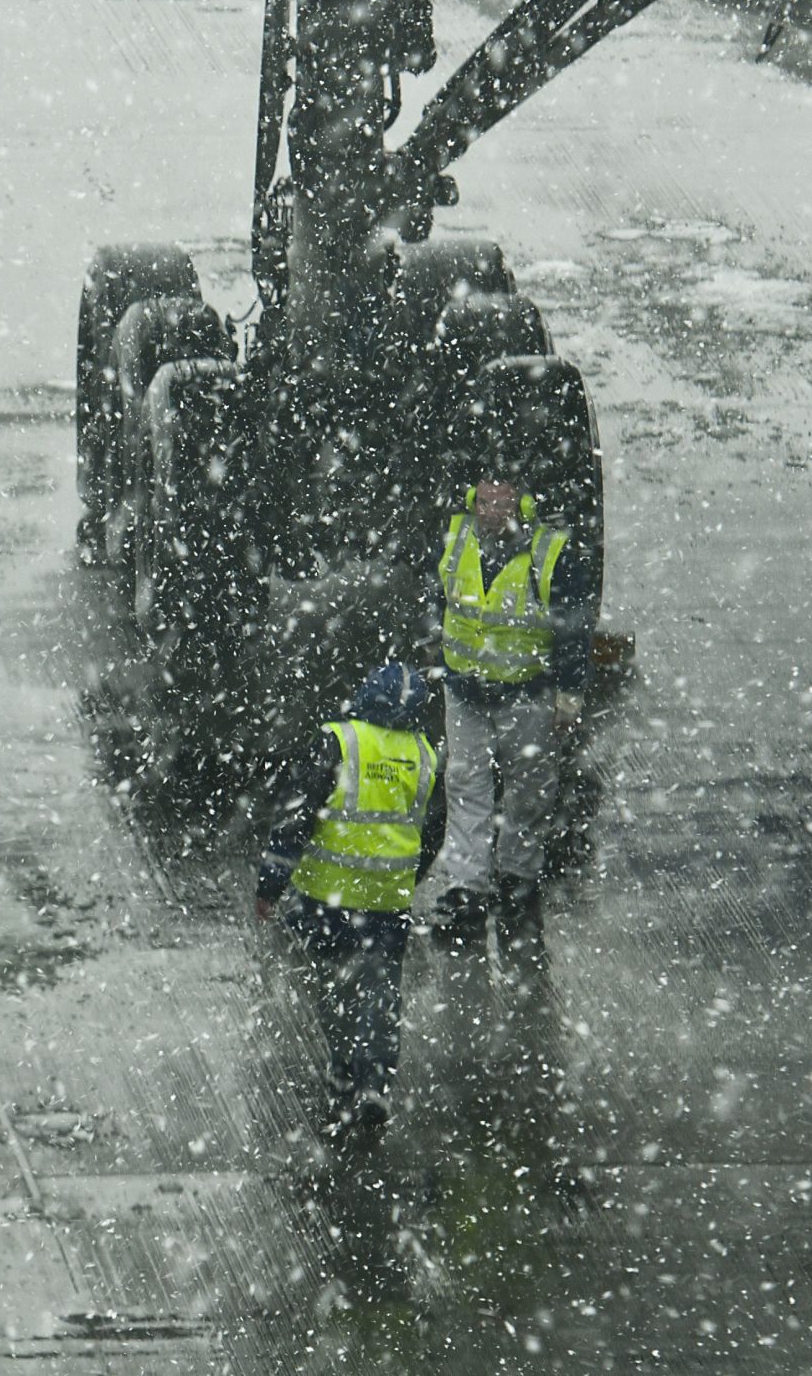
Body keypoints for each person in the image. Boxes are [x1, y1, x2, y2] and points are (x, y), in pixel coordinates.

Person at [254, 661, 444, 1135]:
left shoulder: (339, 742)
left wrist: (270, 885)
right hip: (388, 899)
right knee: (381, 991)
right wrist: (408, 876)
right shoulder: (424, 754)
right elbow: (434, 828)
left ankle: (343, 1070)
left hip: (328, 897)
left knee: (334, 987)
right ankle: (375, 1080)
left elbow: (296, 819)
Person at [423, 476, 593, 963]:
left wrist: (568, 692)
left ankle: (517, 875)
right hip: (466, 690)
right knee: (466, 786)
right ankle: (466, 888)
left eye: (501, 500)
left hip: (527, 694)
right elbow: (443, 599)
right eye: (484, 499)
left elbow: (572, 627)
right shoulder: (457, 538)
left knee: (529, 787)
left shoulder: (551, 553)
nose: (491, 510)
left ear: (521, 503)